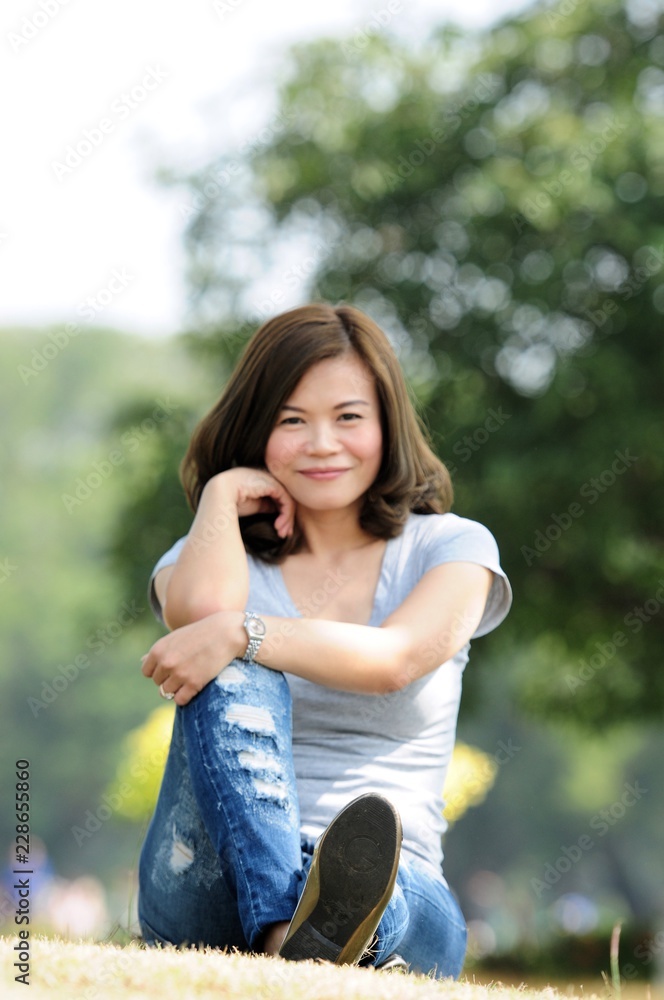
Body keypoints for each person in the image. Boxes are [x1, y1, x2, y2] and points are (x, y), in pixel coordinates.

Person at [138, 302, 511, 977]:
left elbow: (394, 660)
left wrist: (242, 630)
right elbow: (196, 625)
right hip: (207, 885)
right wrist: (220, 496)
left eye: (348, 417)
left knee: (380, 892)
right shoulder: (211, 553)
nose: (321, 444)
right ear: (257, 430)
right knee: (228, 666)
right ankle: (293, 928)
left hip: (397, 887)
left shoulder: (451, 547)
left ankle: (324, 918)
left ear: (385, 426)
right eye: (290, 420)